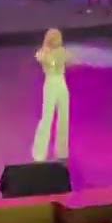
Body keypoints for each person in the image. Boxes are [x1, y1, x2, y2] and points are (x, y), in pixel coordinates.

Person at [32, 28, 72, 162]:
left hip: (62, 83)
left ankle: (62, 152)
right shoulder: (43, 53)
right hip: (50, 84)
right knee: (47, 118)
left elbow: (68, 60)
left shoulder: (62, 51)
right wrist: (51, 56)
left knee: (64, 117)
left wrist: (64, 57)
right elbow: (50, 63)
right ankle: (39, 154)